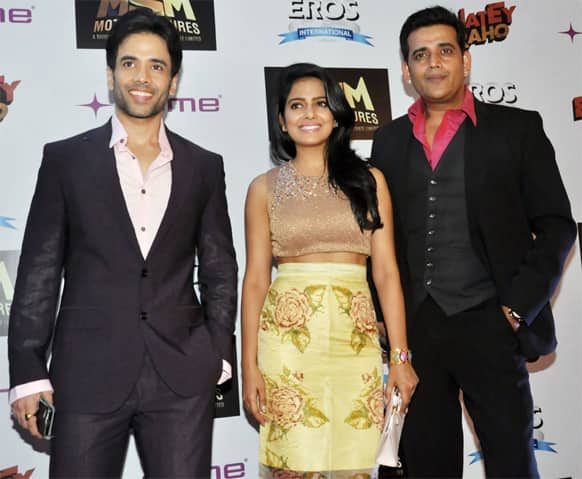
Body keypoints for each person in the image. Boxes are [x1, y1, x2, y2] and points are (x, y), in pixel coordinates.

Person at [8, 8, 237, 478]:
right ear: (111, 74)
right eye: (130, 63)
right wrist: (28, 370)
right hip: (87, 373)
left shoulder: (204, 167)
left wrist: (216, 349)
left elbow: (219, 268)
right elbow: (38, 274)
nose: (143, 77)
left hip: (182, 376)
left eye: (157, 66)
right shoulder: (65, 160)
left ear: (173, 82)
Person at [370, 6, 576, 478]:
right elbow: (379, 240)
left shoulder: (518, 129)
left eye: (445, 50)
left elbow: (558, 226)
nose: (434, 63)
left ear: (467, 59)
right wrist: (386, 320)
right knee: (423, 465)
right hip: (418, 331)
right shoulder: (388, 141)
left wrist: (516, 308)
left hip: (492, 323)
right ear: (406, 69)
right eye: (420, 55)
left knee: (510, 462)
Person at [242, 63, 418, 478]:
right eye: (296, 106)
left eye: (320, 104)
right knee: (293, 464)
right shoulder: (263, 188)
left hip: (354, 349)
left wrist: (400, 357)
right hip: (286, 347)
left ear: (337, 113)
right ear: (282, 121)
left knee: (353, 464)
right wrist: (249, 364)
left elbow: (388, 274)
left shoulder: (370, 181)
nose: (309, 114)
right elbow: (254, 282)